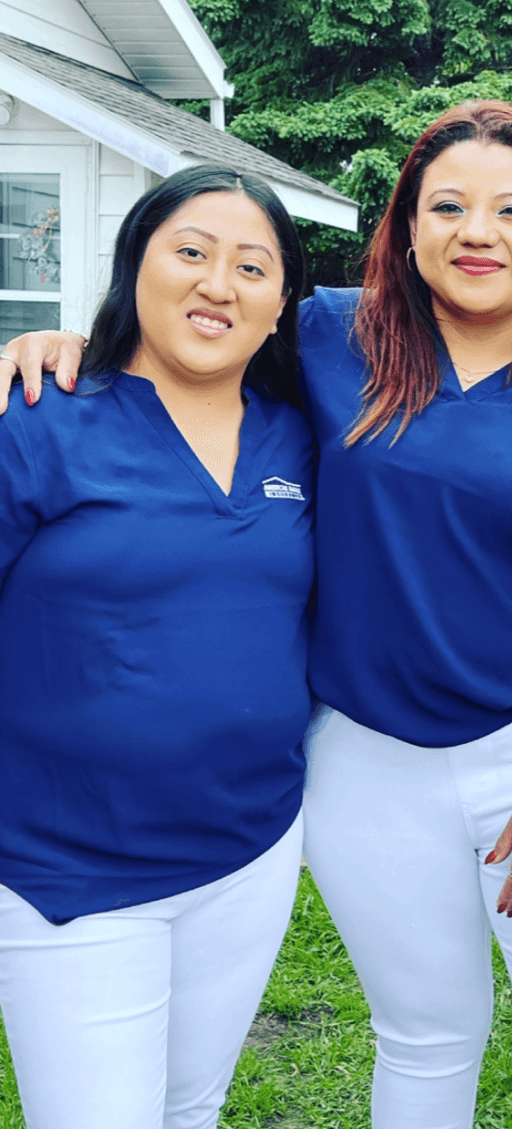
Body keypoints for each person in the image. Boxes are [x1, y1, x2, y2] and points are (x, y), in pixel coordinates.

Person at [2, 101, 512, 1129]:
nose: (477, 232)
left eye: (511, 210)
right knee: (422, 1034)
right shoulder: (330, 336)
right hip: (370, 758)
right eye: (446, 205)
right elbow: (199, 329)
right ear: (406, 229)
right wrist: (66, 343)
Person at [0, 165, 315, 1129]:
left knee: (192, 1108)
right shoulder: (39, 417)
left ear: (280, 308)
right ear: (135, 263)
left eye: (251, 267)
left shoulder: (301, 439)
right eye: (190, 252)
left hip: (248, 852)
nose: (218, 284)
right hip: (69, 867)